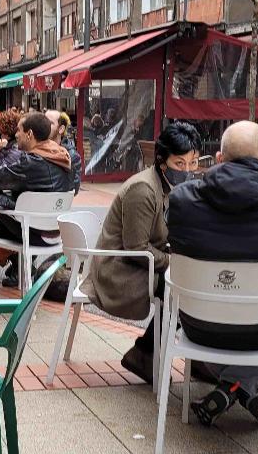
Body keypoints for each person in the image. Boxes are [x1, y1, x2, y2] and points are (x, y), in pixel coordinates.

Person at [167, 121, 258, 427]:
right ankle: (241, 386)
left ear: (219, 158)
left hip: (199, 325)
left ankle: (231, 387)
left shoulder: (182, 200)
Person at [83, 123, 200, 383]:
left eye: (192, 163)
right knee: (183, 289)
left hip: (139, 263)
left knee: (192, 285)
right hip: (119, 269)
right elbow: (136, 248)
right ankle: (146, 353)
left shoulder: (165, 186)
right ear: (162, 161)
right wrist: (173, 262)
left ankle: (193, 357)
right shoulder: (144, 189)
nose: (187, 170)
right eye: (179, 163)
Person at [0, 112, 72, 297]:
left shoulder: (30, 162)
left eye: (19, 130)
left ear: (29, 134)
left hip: (30, 231)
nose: (16, 134)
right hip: (54, 233)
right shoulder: (64, 159)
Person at [45, 109, 82, 194]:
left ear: (61, 129)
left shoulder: (71, 155)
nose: (44, 126)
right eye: (43, 122)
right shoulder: (33, 149)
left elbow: (74, 188)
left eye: (50, 123)